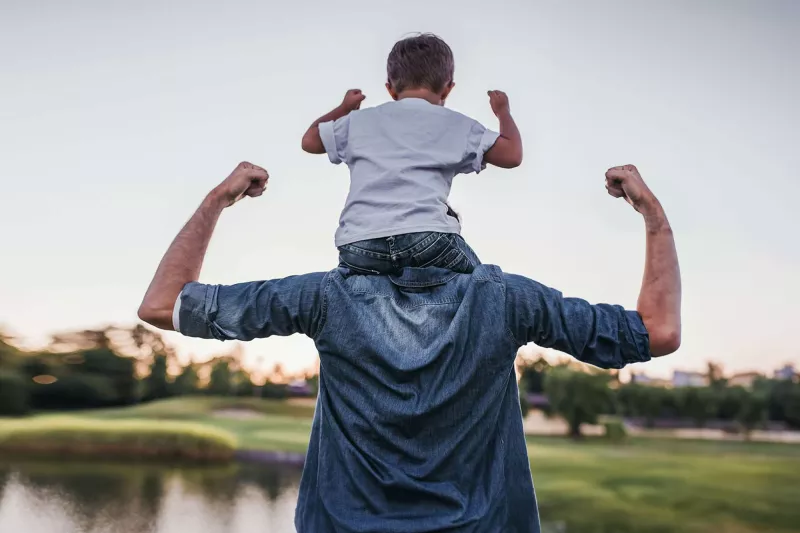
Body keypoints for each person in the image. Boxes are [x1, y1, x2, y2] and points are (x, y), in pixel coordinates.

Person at [138, 161, 681, 533]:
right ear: (452, 233)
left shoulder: (324, 297)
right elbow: (657, 332)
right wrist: (652, 215)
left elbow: (163, 304)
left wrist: (218, 199)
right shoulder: (506, 299)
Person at [300, 33, 523, 275]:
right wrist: (503, 112)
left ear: (390, 89)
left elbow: (309, 140)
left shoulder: (359, 121)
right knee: (483, 284)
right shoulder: (456, 124)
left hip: (358, 244)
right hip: (426, 240)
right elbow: (512, 155)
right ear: (448, 89)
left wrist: (344, 108)